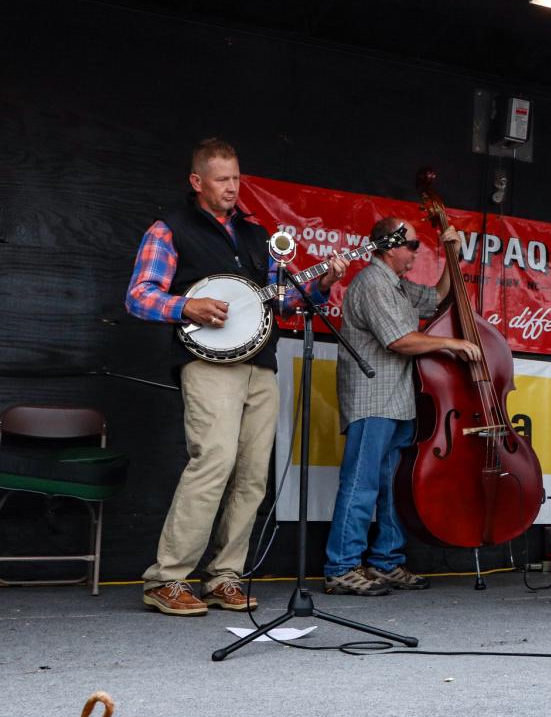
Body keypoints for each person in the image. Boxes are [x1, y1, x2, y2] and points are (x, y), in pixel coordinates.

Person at [126, 138, 348, 616]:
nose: (232, 187)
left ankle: (224, 576)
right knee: (214, 463)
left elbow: (281, 300)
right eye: (223, 179)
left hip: (259, 364)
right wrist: (188, 305)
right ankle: (166, 578)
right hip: (208, 365)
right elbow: (139, 296)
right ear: (197, 181)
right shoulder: (170, 229)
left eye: (237, 178)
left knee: (251, 476)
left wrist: (322, 284)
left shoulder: (255, 232)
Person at [323, 216, 483, 596]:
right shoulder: (372, 282)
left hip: (398, 400)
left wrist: (452, 255)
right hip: (372, 398)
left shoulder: (396, 285)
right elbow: (399, 340)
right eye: (412, 245)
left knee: (392, 485)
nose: (416, 251)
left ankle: (386, 561)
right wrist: (453, 344)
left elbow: (439, 297)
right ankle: (341, 566)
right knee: (361, 485)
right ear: (391, 246)